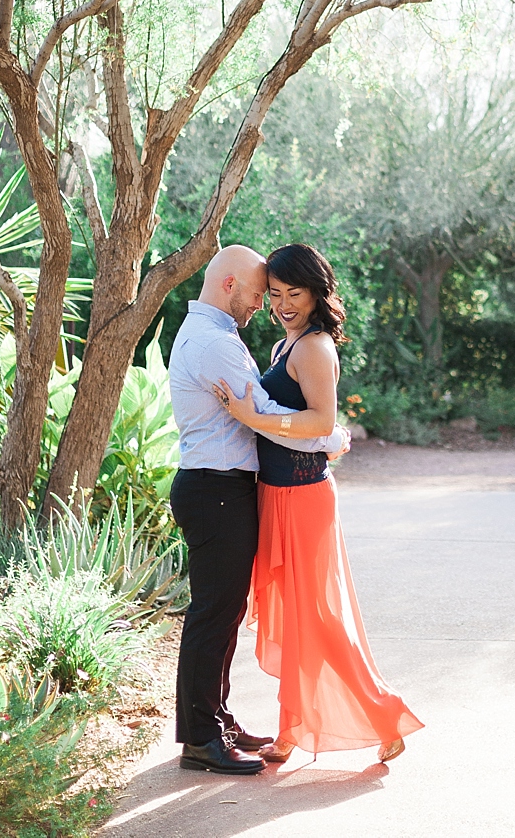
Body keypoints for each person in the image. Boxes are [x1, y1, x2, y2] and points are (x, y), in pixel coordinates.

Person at [216, 243, 423, 764]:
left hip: (304, 499)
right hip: (277, 494)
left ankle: (386, 713)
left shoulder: (314, 348)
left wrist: (252, 417)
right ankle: (292, 728)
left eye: (296, 294)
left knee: (319, 618)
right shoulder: (286, 346)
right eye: (277, 293)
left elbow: (321, 424)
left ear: (316, 294)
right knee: (294, 618)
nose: (284, 304)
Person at [168, 244, 349, 777]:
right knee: (212, 615)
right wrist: (331, 437)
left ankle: (215, 720)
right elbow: (263, 413)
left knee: (223, 616)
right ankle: (201, 739)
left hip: (223, 489)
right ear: (229, 286)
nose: (261, 306)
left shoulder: (218, 336)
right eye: (258, 294)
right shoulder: (215, 343)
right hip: (216, 490)